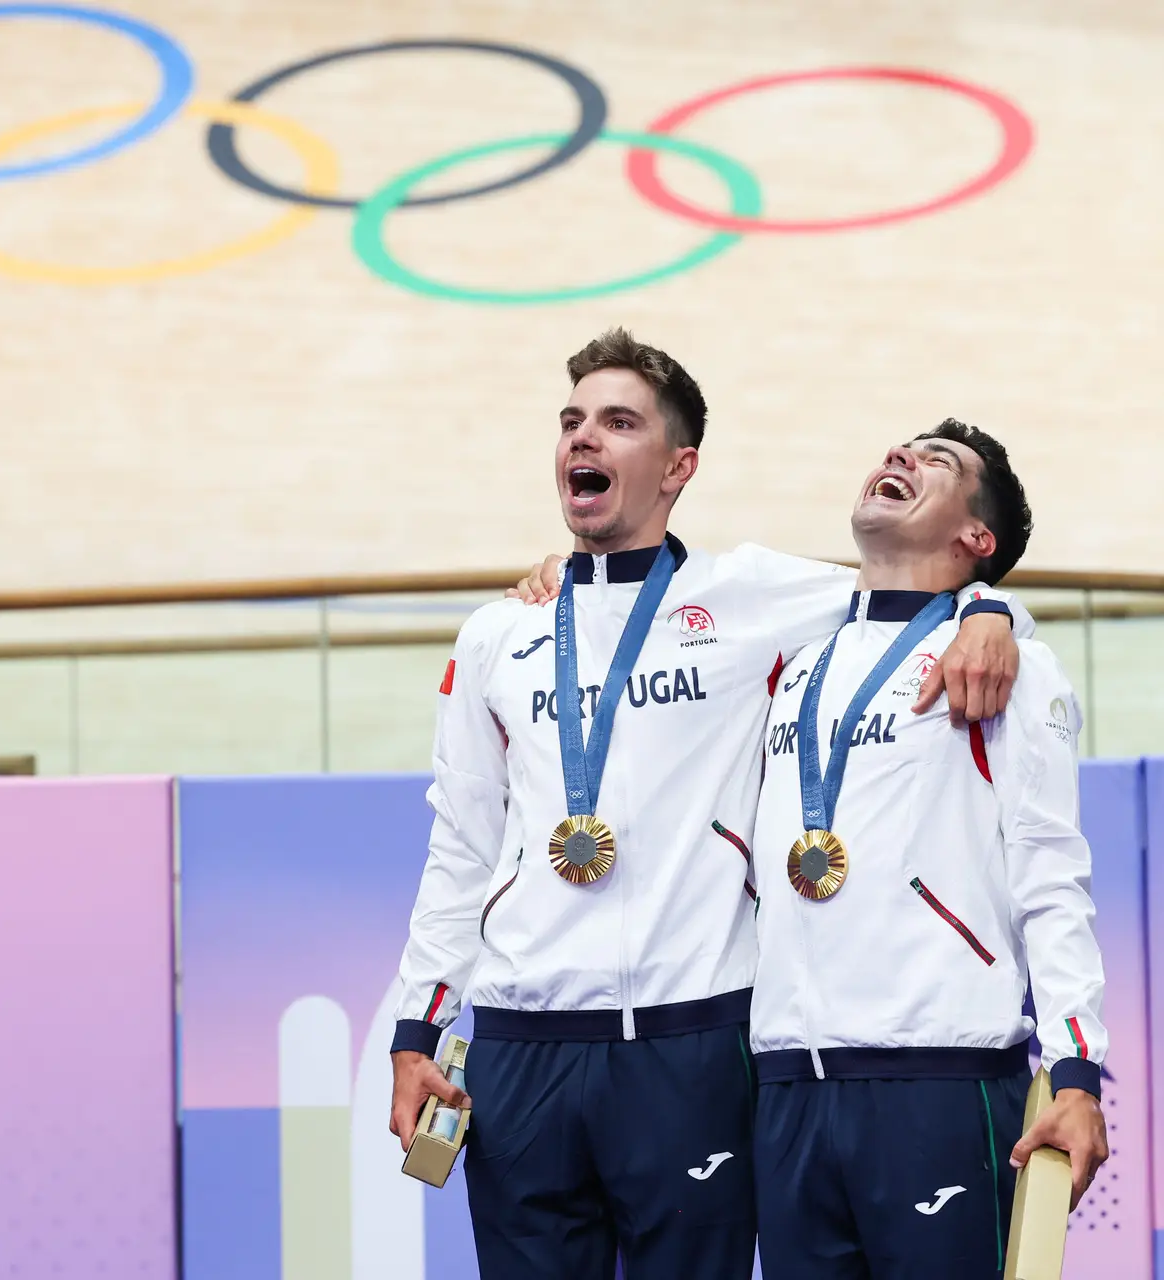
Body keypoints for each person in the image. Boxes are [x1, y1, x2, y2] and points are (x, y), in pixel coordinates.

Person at [386, 330, 1037, 1280]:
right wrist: (418, 1029)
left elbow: (917, 581)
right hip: (521, 1046)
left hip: (693, 1047)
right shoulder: (498, 634)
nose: (585, 441)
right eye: (572, 422)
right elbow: (460, 846)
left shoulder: (751, 596)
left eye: (618, 423)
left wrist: (993, 611)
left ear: (678, 465)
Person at [749, 418, 1107, 1279]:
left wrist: (1076, 1071)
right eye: (895, 450)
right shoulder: (791, 659)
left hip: (938, 1082)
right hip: (787, 1088)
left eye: (936, 461)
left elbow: (1051, 875)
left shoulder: (1007, 668)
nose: (897, 457)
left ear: (975, 537)